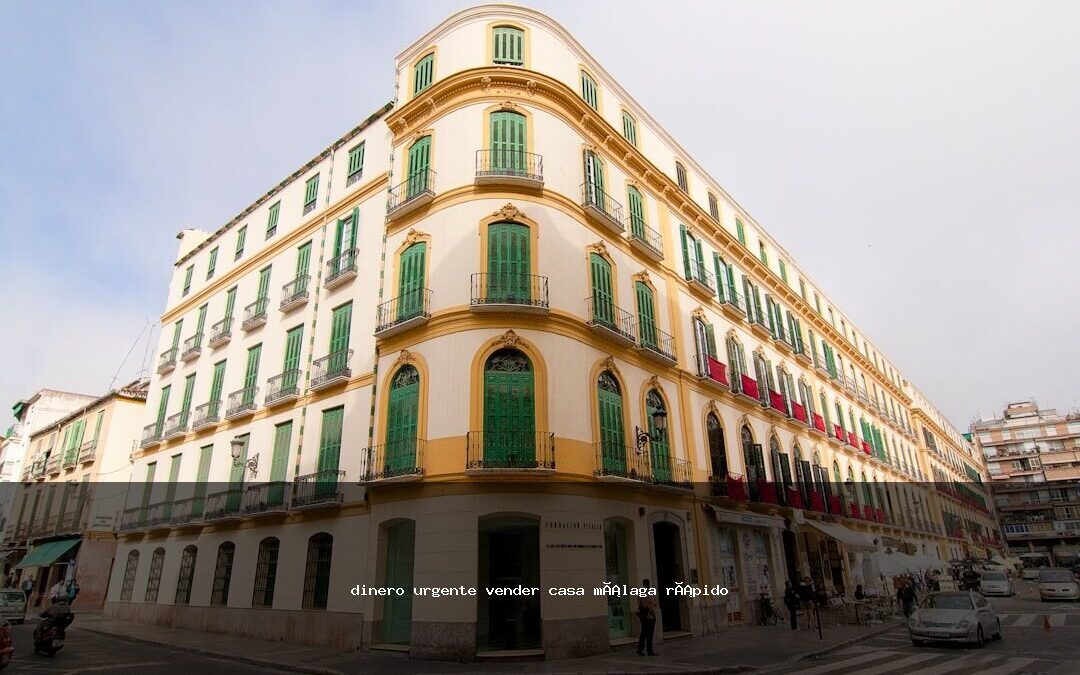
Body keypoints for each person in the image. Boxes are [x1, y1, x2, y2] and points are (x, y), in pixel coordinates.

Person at [636, 579, 657, 656]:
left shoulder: (640, 592)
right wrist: (653, 607)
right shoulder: (648, 593)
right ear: (648, 584)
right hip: (649, 616)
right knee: (649, 634)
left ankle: (640, 649)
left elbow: (638, 602)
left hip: (643, 616)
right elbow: (650, 604)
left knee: (643, 633)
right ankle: (649, 650)